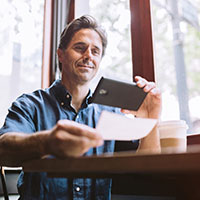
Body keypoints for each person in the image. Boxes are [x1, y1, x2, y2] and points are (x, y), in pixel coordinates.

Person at [0, 15, 161, 199]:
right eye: (80, 48)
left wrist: (151, 120)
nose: (88, 56)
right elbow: (3, 150)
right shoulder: (29, 105)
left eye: (95, 51)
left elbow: (146, 171)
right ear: (60, 54)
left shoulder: (111, 113)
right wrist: (47, 143)